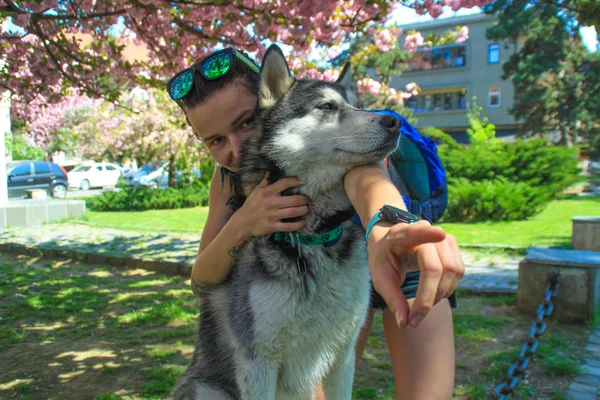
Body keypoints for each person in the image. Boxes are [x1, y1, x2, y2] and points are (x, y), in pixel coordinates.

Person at [167, 47, 463, 399]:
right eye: (215, 140)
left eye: (247, 122)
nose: (237, 146)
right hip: (319, 271)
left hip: (403, 253)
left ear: (271, 97)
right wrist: (244, 222)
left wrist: (391, 224)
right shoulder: (229, 176)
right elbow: (202, 281)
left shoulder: (341, 142)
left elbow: (370, 184)